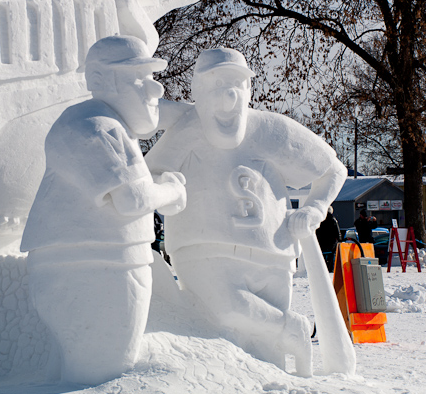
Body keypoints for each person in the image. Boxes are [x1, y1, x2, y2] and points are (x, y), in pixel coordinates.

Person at [146, 48, 349, 377]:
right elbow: (148, 175)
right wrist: (167, 188)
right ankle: (291, 328)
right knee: (226, 312)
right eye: (216, 86)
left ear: (248, 91)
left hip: (275, 253)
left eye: (236, 85)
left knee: (263, 357)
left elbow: (333, 170)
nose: (228, 95)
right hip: (203, 251)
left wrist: (314, 208)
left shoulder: (271, 129)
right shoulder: (186, 131)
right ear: (197, 92)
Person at [20, 35, 187, 385]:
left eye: (153, 77)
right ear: (98, 81)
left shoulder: (111, 127)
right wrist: (172, 191)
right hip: (91, 265)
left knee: (105, 368)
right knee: (100, 372)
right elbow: (132, 200)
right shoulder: (91, 125)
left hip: (109, 261)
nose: (155, 90)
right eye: (139, 78)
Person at [316, 206, 342, 272]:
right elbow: (337, 231)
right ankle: (330, 269)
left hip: (322, 241)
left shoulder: (320, 219)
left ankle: (322, 268)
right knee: (331, 256)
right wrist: (339, 239)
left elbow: (317, 231)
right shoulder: (333, 219)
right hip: (331, 242)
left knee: (322, 256)